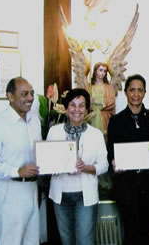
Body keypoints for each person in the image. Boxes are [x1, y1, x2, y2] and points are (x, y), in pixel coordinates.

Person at [107, 74, 149, 245]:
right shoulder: (116, 120)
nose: (136, 94)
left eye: (140, 90)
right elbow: (110, 149)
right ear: (126, 92)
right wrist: (113, 161)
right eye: (132, 90)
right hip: (126, 185)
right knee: (131, 230)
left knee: (147, 229)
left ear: (144, 93)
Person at [0, 77, 41, 245]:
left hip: (32, 190)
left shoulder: (34, 122)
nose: (30, 98)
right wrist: (16, 171)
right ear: (10, 96)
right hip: (9, 192)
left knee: (33, 241)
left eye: (32, 93)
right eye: (24, 94)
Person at [46, 88, 108, 245]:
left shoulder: (96, 134)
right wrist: (52, 166)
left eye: (81, 106)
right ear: (66, 108)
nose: (77, 110)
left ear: (87, 109)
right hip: (60, 195)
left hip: (85, 195)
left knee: (85, 240)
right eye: (72, 105)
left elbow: (104, 165)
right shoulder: (54, 132)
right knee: (66, 240)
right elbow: (46, 161)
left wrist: (87, 168)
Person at [86, 62, 116, 137]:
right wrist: (89, 102)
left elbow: (111, 102)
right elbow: (85, 103)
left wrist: (96, 101)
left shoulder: (109, 87)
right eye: (100, 70)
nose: (102, 73)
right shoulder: (89, 87)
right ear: (95, 71)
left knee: (104, 137)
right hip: (92, 116)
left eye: (104, 71)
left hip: (104, 116)